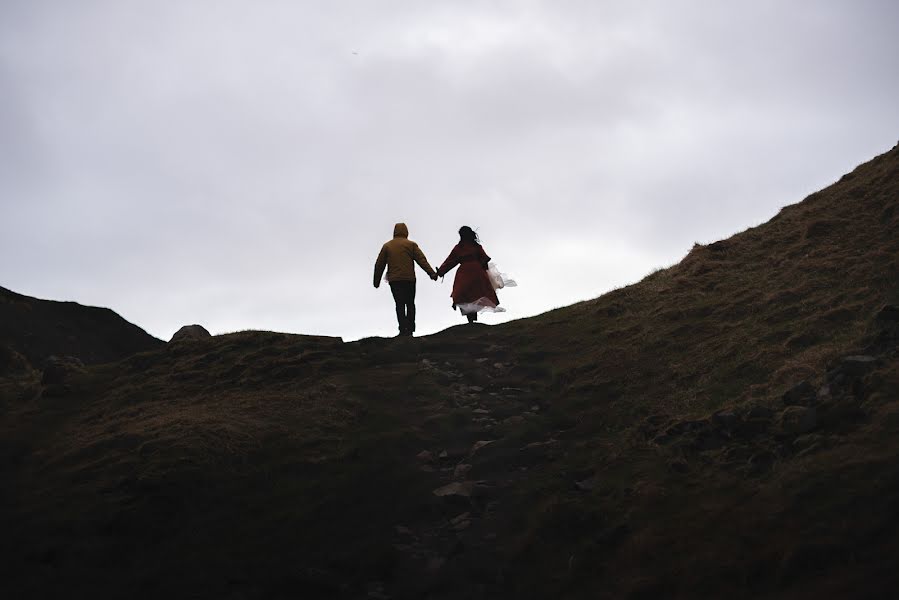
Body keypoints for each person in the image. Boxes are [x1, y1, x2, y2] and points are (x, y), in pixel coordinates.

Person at [373, 223, 438, 336]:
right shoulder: (411, 245)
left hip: (395, 280)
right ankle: (411, 329)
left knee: (399, 304)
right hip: (409, 279)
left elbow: (379, 265)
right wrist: (432, 273)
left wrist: (376, 281)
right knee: (410, 303)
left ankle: (402, 329)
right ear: (406, 232)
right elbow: (422, 260)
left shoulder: (387, 246)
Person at [436, 226, 499, 323]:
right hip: (477, 271)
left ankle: (470, 319)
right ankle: (473, 318)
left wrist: (440, 272)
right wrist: (484, 272)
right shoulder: (476, 246)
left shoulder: (459, 248)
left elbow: (450, 261)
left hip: (464, 273)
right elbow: (484, 259)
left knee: (463, 294)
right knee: (476, 294)